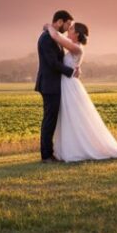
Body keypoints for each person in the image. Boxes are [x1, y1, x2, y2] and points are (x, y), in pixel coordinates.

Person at [44, 21, 117, 162]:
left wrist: (49, 27)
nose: (68, 31)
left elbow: (57, 37)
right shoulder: (74, 48)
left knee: (74, 117)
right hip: (66, 84)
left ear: (76, 34)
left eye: (71, 29)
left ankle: (77, 149)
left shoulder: (77, 48)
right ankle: (68, 149)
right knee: (68, 117)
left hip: (70, 86)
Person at [35, 10, 78, 163]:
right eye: (67, 24)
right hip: (49, 85)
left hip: (52, 84)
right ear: (59, 22)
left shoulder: (53, 37)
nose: (68, 28)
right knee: (49, 119)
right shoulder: (46, 39)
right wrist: (71, 71)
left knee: (51, 119)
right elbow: (53, 63)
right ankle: (46, 156)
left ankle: (49, 153)